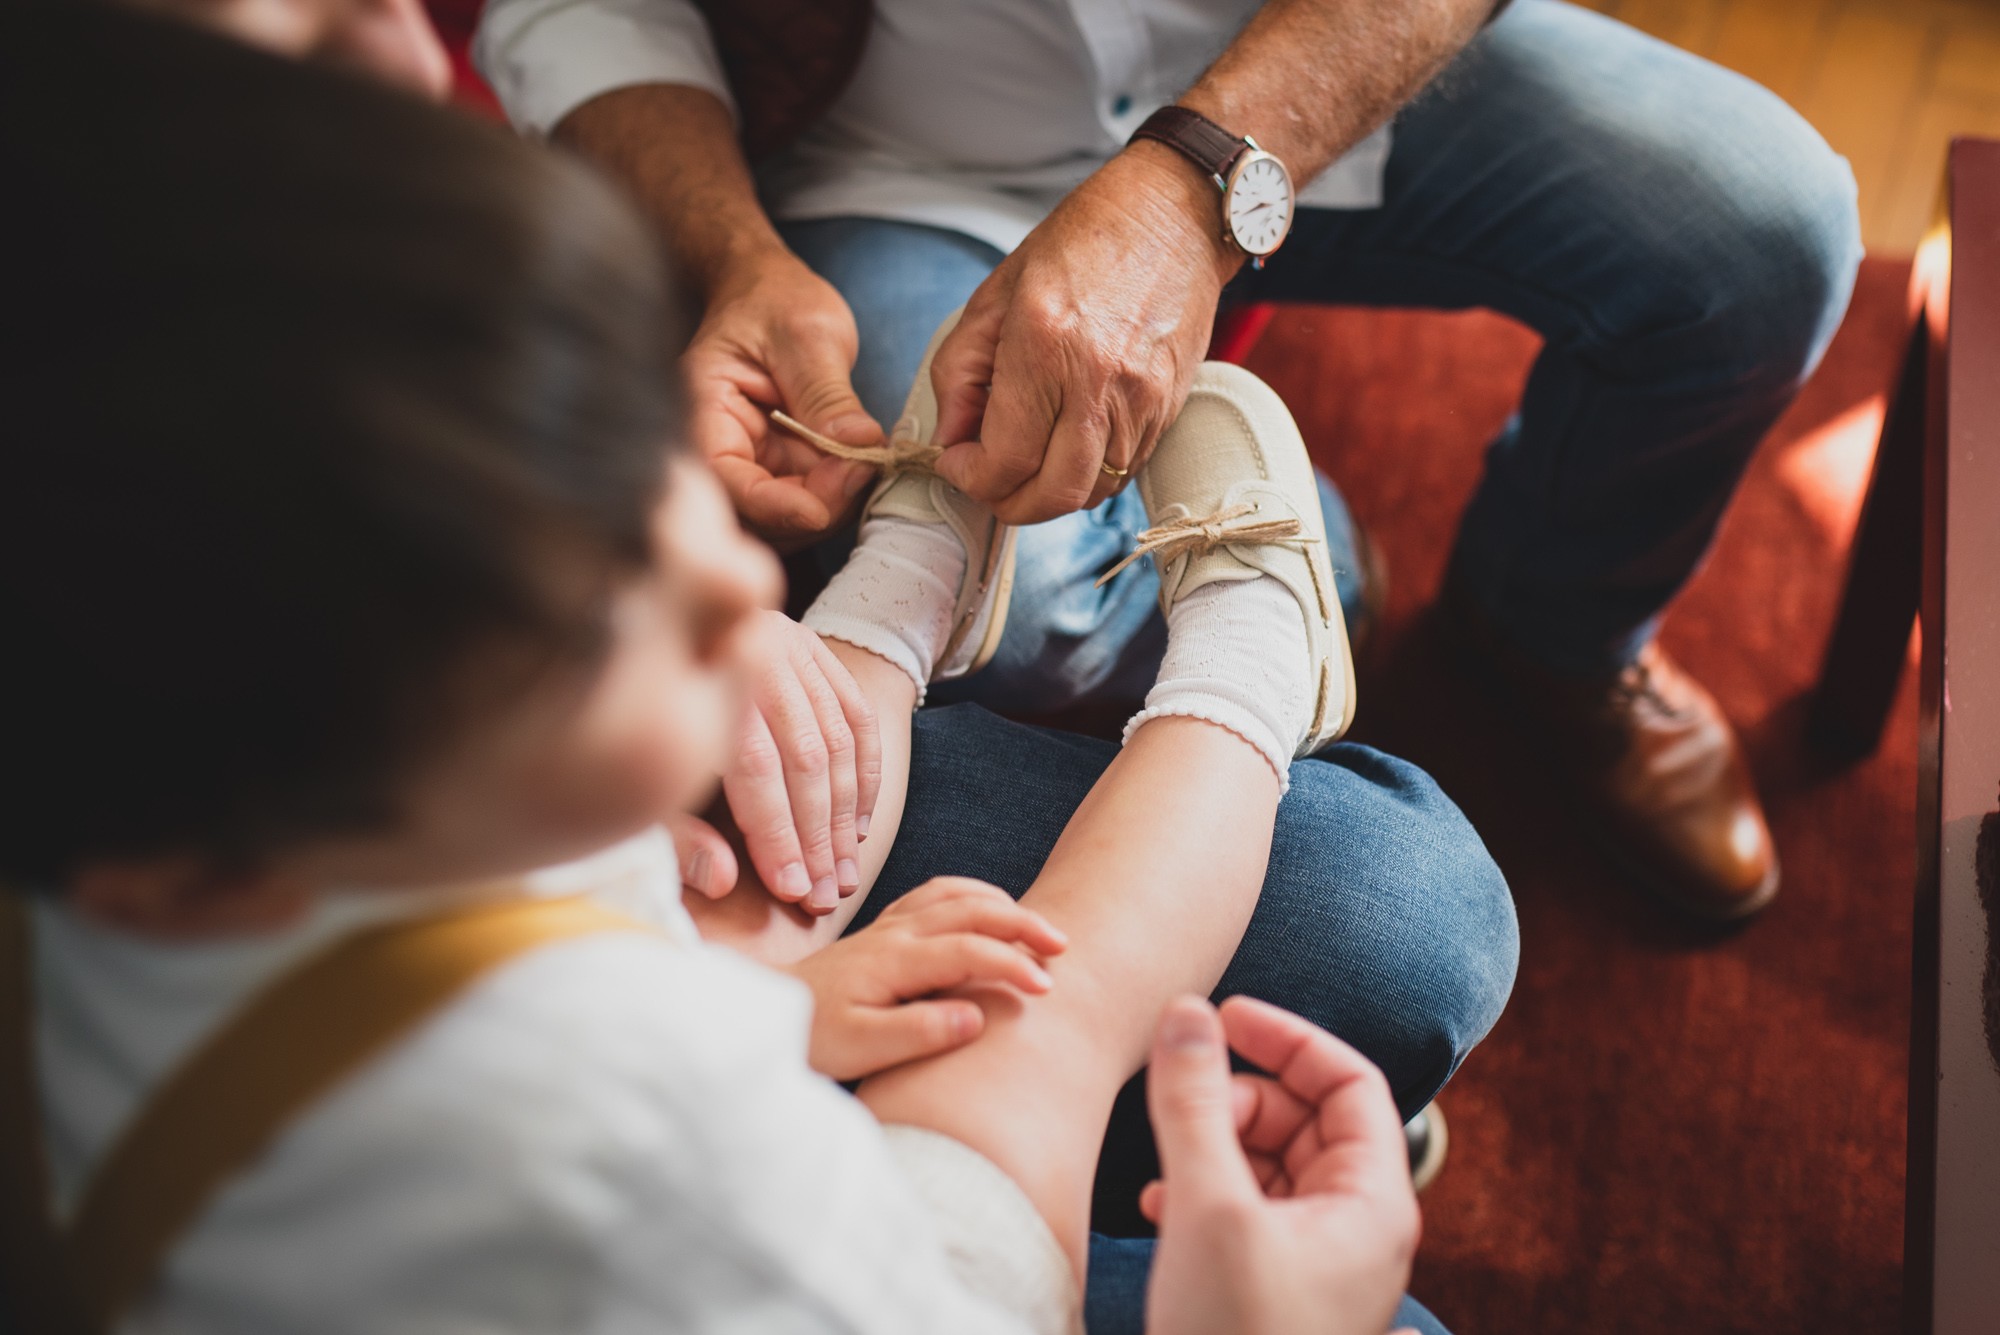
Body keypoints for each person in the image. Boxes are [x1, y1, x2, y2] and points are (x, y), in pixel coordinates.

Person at [0, 7, 1486, 1332]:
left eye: (641, 491)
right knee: (1195, 1023)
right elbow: (961, 1233)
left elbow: (557, 934)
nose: (731, 578)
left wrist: (779, 1009)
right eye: (592, 624)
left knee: (1358, 921)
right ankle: (1249, 682)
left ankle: (907, 621)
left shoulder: (195, 748)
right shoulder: (659, 1179)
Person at [475, 0, 1866, 922]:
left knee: (1770, 230)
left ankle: (1552, 636)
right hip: (889, 160)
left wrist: (1193, 183)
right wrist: (724, 252)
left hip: (1308, 64)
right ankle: (1299, 545)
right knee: (1017, 609)